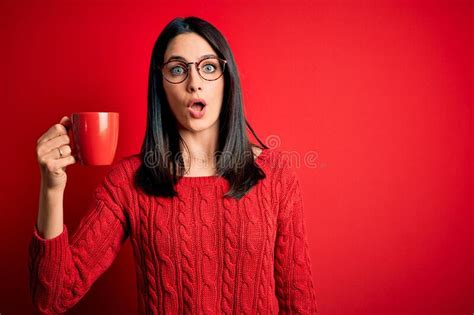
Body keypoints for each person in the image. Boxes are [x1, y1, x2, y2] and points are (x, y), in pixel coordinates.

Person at [29, 16, 318, 314]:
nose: (194, 83)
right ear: (161, 86)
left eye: (208, 67)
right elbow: (52, 297)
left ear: (227, 80)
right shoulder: (128, 181)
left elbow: (300, 304)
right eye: (178, 70)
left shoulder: (276, 173)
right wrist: (51, 187)